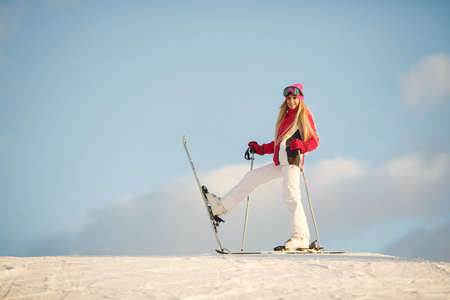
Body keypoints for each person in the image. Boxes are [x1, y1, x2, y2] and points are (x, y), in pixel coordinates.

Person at [205, 83, 319, 250]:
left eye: (294, 98)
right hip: (280, 162)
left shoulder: (303, 115)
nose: (291, 101)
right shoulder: (284, 118)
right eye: (288, 98)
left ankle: (301, 237)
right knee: (252, 177)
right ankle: (221, 207)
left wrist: (303, 146)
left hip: (293, 162)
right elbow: (278, 145)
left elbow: (314, 141)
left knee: (291, 195)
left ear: (299, 99)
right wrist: (259, 149)